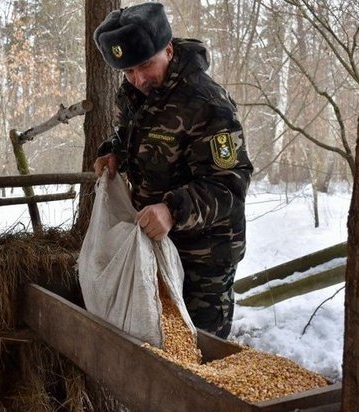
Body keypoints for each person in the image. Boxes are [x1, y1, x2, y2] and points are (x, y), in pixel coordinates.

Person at [92, 2, 253, 338]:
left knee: (199, 356)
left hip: (204, 258)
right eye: (128, 72)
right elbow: (134, 136)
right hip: (160, 247)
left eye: (145, 66)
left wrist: (173, 210)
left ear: (168, 49)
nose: (138, 80)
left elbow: (230, 184)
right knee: (161, 350)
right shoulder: (138, 93)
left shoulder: (207, 102)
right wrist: (114, 151)